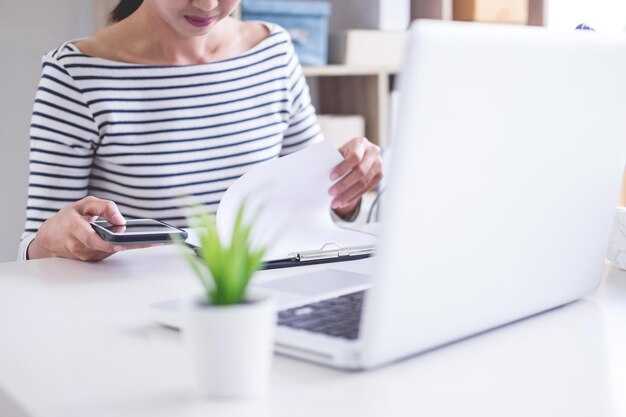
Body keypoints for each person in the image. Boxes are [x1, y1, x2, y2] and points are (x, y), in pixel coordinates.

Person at [19, 0, 383, 261]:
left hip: (262, 294)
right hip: (132, 312)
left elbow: (312, 209)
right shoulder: (76, 73)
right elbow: (33, 248)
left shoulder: (273, 52)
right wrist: (56, 239)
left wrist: (347, 187)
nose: (208, 5)